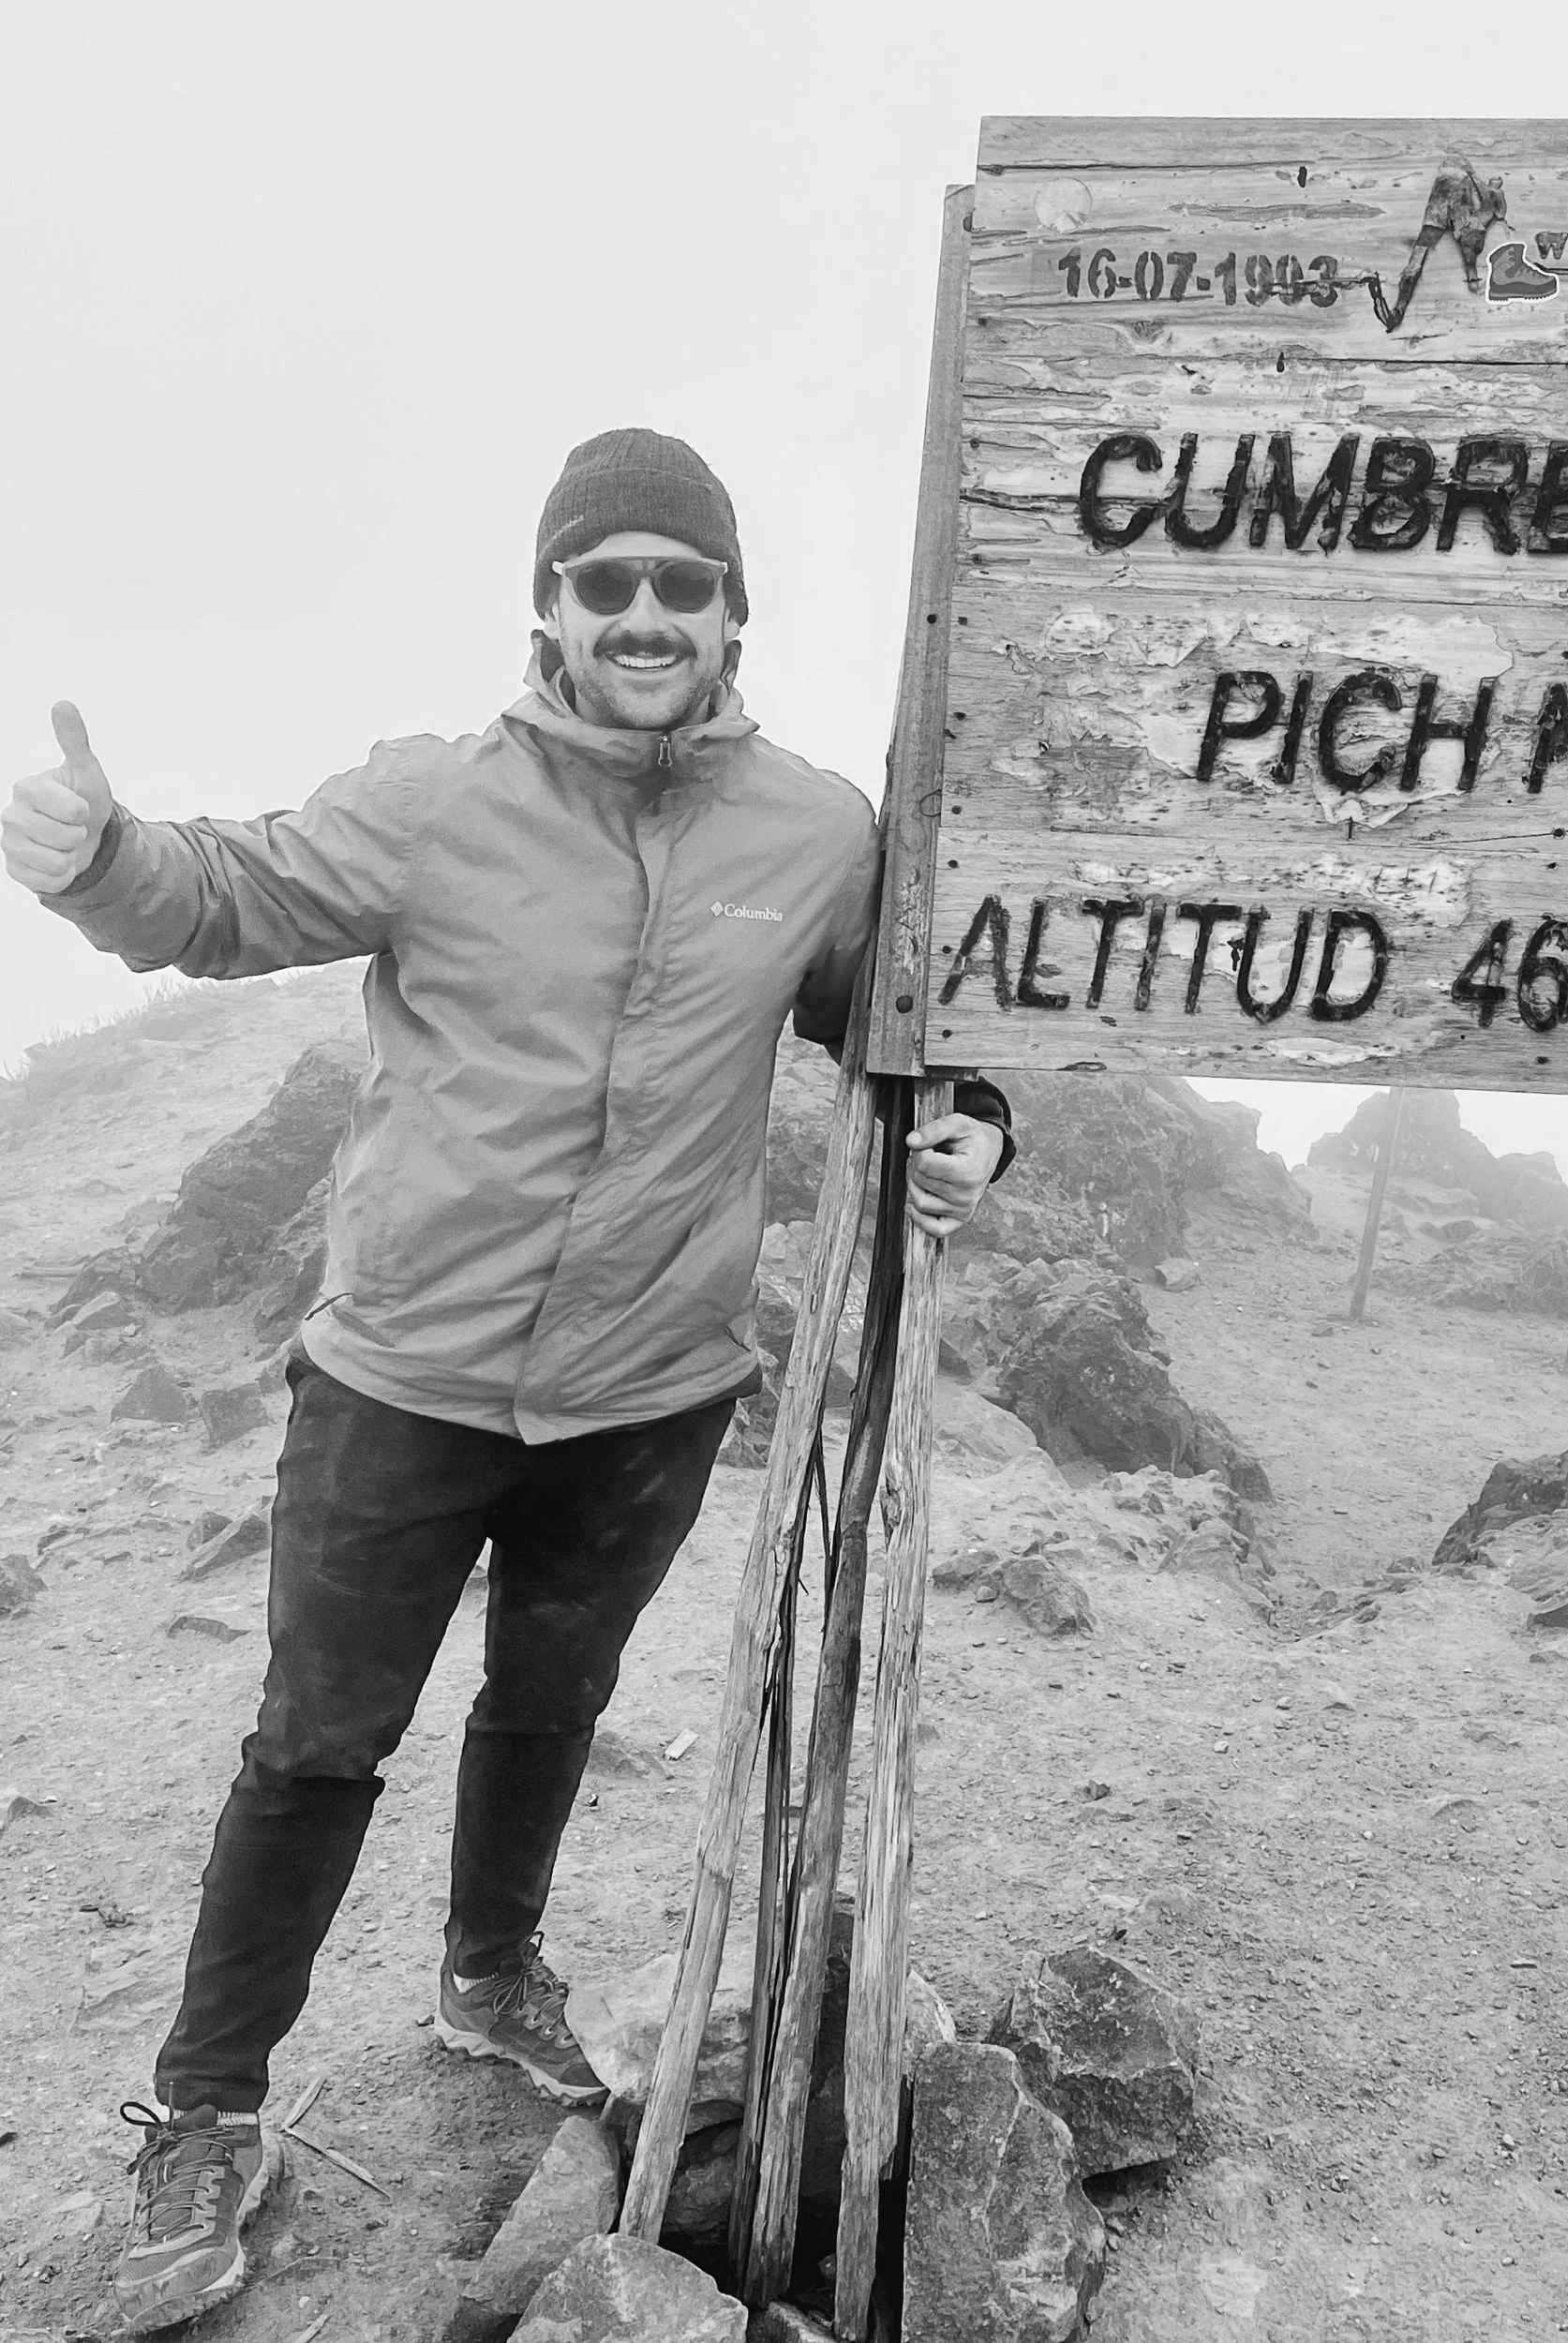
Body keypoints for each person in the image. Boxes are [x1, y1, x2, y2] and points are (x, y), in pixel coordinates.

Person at [1, 428, 1011, 2333]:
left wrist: (971, 1119)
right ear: (545, 607)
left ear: (732, 612)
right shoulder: (432, 800)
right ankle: (206, 2110)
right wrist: (103, 865)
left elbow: (906, 1013)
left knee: (550, 1703)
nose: (643, 612)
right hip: (402, 1373)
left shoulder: (813, 831)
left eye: (679, 581)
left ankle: (490, 1972)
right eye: (603, 578)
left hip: (647, 1388)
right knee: (312, 1748)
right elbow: (228, 899)